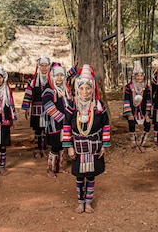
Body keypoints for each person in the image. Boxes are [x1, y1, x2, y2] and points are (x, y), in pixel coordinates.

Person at [62, 64, 111, 213]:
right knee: (78, 175)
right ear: (77, 88)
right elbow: (66, 126)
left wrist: (104, 145)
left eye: (88, 88)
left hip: (95, 146)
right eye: (82, 88)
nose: (85, 91)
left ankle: (88, 202)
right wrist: (69, 146)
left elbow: (106, 126)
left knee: (90, 176)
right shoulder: (72, 106)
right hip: (77, 147)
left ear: (93, 88)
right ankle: (80, 202)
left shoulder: (99, 106)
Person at [42, 63, 74, 178]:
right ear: (52, 76)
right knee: (55, 146)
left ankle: (58, 167)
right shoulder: (49, 90)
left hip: (64, 125)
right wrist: (63, 118)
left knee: (61, 145)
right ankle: (50, 169)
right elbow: (48, 106)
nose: (59, 78)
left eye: (61, 75)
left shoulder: (65, 89)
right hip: (54, 124)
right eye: (57, 76)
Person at [22, 55, 51, 158]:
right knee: (37, 130)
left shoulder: (51, 79)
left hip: (48, 109)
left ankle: (43, 148)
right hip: (36, 109)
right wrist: (26, 108)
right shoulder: (33, 81)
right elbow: (28, 94)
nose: (44, 68)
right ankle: (37, 149)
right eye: (42, 65)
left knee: (45, 129)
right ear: (39, 67)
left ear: (49, 66)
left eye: (46, 65)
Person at [122, 60, 152, 152]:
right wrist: (129, 113)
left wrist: (147, 113)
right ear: (134, 76)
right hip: (132, 110)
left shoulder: (146, 87)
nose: (139, 77)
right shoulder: (129, 87)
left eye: (141, 75)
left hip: (142, 110)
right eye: (137, 75)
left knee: (147, 123)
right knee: (131, 122)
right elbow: (126, 100)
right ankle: (134, 143)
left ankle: (142, 142)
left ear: (143, 76)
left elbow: (148, 100)